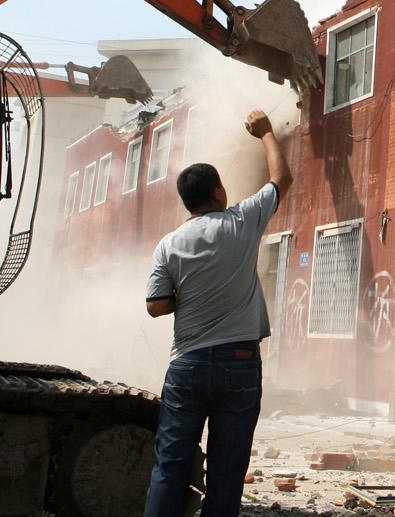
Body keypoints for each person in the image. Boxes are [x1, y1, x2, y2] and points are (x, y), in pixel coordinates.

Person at [142, 109, 293, 517]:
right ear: (219, 193)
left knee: (170, 467)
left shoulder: (168, 244)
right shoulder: (241, 221)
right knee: (227, 471)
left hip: (187, 367)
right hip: (239, 366)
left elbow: (156, 305)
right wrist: (264, 133)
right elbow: (281, 180)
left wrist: (186, 295)